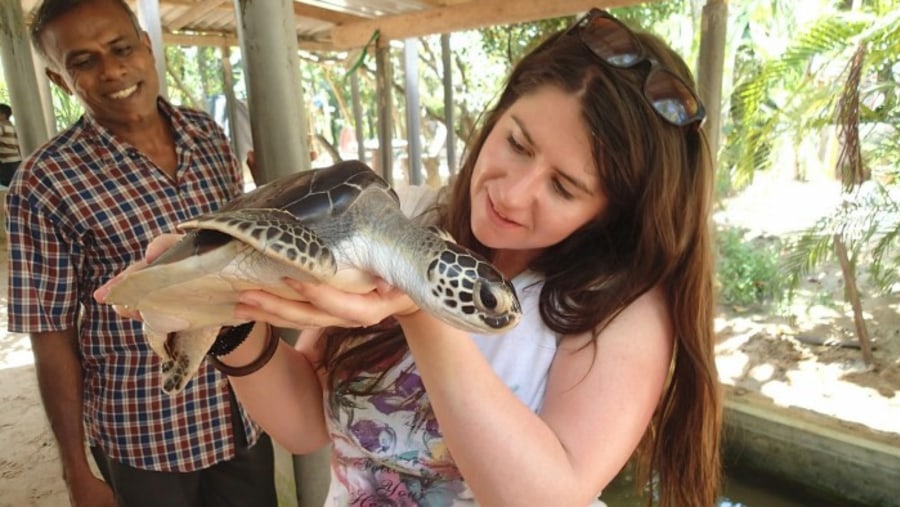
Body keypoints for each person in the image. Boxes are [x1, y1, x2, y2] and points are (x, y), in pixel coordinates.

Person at [99, 8, 722, 507]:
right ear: (497, 115)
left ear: (609, 210)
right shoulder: (407, 217)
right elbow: (305, 427)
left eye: (564, 187)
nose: (512, 192)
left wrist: (421, 312)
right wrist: (226, 310)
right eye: (516, 142)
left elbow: (544, 497)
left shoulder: (621, 309)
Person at [5, 0, 277, 506]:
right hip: (145, 433)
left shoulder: (208, 137)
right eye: (83, 62)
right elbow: (50, 330)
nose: (112, 71)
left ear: (147, 48)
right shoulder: (44, 182)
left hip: (239, 411)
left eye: (120, 48)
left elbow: (239, 256)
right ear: (61, 81)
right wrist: (76, 470)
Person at [0, 103, 22, 186]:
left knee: (7, 184)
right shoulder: (11, 126)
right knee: (14, 183)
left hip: (6, 162)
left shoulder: (1, 126)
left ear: (3, 115)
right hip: (16, 160)